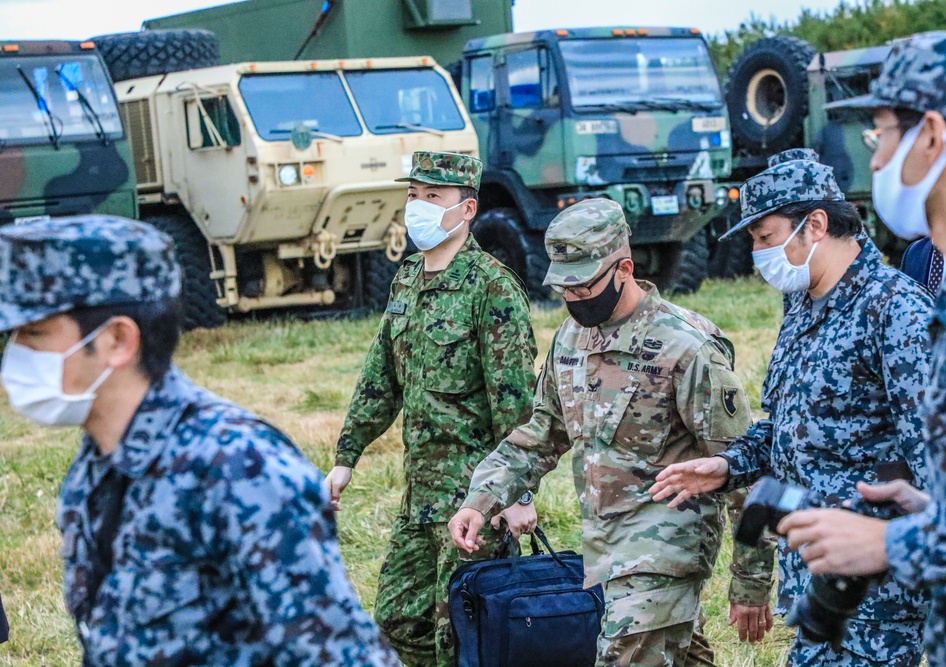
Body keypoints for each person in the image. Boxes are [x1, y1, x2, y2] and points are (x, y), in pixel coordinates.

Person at [0, 216, 397, 665]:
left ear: (116, 340)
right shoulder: (98, 464)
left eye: (34, 334)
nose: (16, 354)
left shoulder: (238, 468)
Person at [651, 148, 933, 666]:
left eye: (766, 238)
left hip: (877, 596)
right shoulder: (803, 305)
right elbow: (788, 426)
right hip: (814, 582)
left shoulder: (896, 311)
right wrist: (728, 465)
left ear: (816, 224)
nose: (759, 256)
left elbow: (935, 464)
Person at [449, 198, 758, 666]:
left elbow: (743, 466)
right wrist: (481, 498)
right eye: (564, 288)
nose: (573, 299)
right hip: (605, 549)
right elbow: (541, 434)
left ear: (624, 269)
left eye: (583, 285)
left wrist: (750, 582)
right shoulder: (571, 341)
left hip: (665, 551)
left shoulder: (686, 347)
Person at [776, 31, 946, 667]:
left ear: (932, 136)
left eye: (880, 136)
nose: (872, 162)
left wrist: (891, 545)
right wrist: (932, 510)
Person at [326, 151, 539, 667]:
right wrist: (345, 457)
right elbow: (380, 379)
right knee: (398, 621)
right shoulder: (406, 281)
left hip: (475, 500)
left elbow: (515, 402)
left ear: (466, 210)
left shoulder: (492, 288)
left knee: (463, 634)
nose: (417, 206)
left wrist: (516, 492)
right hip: (420, 497)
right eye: (413, 195)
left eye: (433, 197)